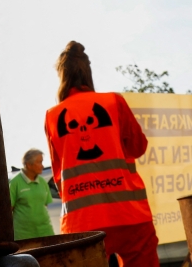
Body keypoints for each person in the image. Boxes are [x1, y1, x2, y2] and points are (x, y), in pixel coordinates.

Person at [44, 41, 159, 267]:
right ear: (88, 72)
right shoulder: (113, 102)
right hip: (129, 215)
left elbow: (59, 175)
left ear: (62, 76)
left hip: (81, 223)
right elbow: (138, 147)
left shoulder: (53, 116)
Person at [9, 148, 56, 240]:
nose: (42, 166)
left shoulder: (42, 182)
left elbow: (45, 205)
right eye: (40, 162)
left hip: (45, 232)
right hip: (23, 235)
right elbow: (9, 209)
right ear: (29, 165)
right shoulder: (15, 182)